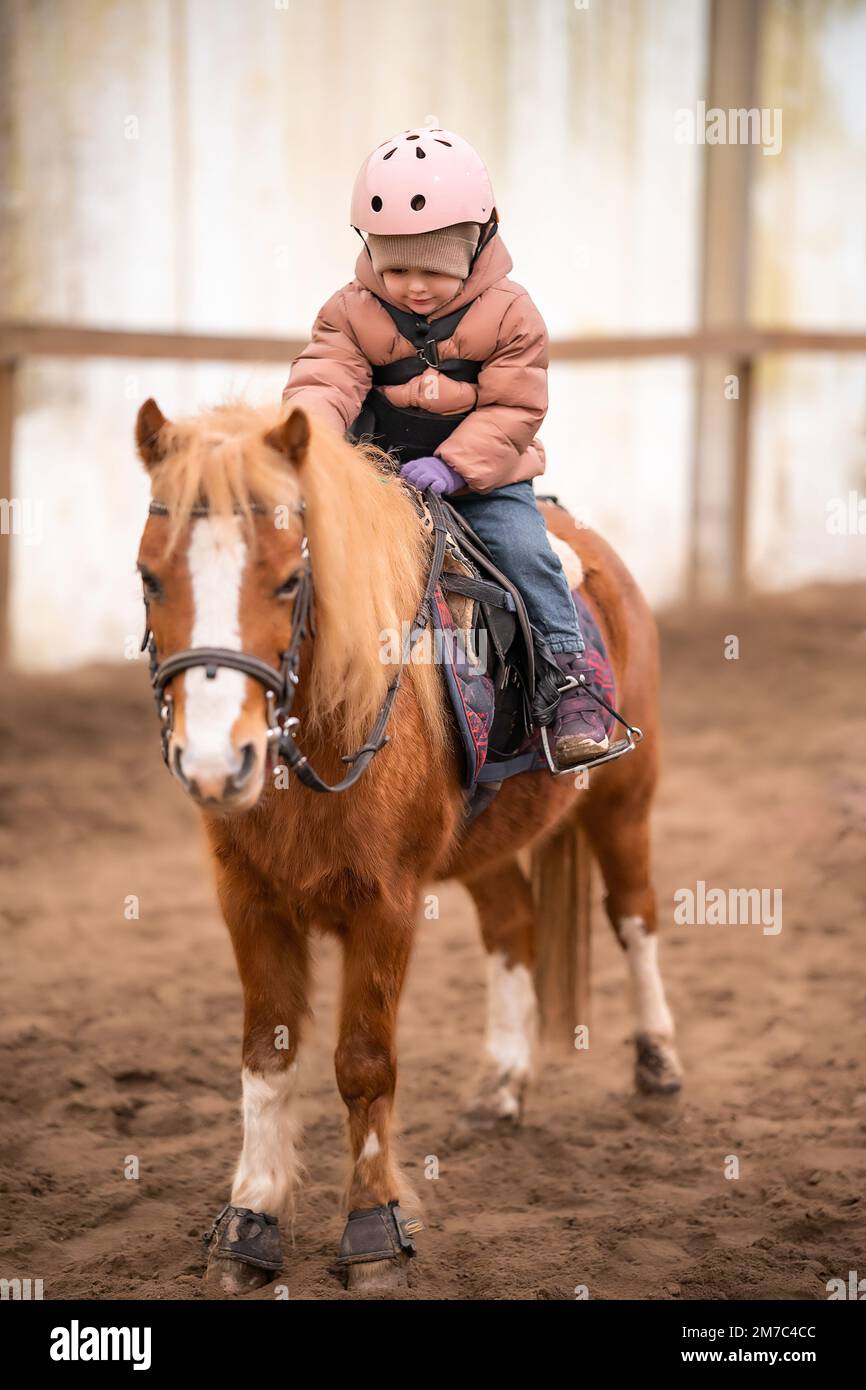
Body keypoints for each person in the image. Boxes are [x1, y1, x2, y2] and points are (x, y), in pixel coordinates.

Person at [281, 125, 608, 766]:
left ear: (477, 247)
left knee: (526, 552)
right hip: (378, 477)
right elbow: (326, 379)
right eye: (394, 267)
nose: (413, 286)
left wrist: (455, 466)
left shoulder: (513, 314)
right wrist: (309, 443)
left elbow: (516, 406)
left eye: (434, 269)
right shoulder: (347, 312)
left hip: (486, 477)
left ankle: (570, 681)